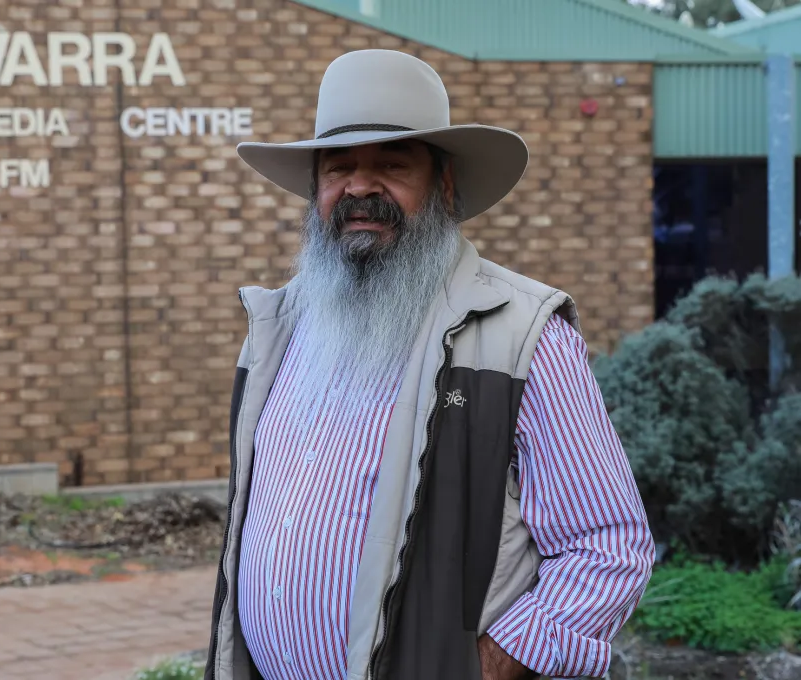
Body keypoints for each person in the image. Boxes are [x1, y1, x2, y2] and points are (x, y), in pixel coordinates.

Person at [203, 49, 654, 680]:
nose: (360, 187)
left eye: (391, 164)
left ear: (442, 185)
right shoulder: (281, 328)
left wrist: (487, 667)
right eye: (339, 167)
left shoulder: (520, 333)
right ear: (316, 191)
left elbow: (606, 547)